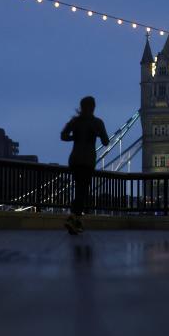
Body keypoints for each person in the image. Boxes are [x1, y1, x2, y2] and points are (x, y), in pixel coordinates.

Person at [61, 96, 109, 233]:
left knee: (79, 189)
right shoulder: (97, 123)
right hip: (88, 160)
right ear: (93, 107)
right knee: (83, 191)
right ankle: (73, 218)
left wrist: (74, 137)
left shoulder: (75, 121)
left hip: (75, 159)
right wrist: (98, 134)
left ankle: (76, 220)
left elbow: (63, 136)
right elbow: (106, 142)